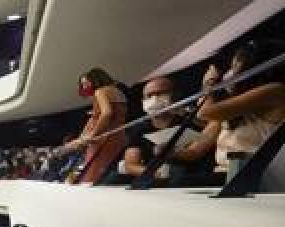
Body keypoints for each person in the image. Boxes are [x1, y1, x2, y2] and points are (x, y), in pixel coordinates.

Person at [195, 41, 285, 175]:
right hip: (224, 173)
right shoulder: (233, 104)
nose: (231, 72)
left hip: (252, 176)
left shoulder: (275, 90)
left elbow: (205, 113)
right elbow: (198, 146)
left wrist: (209, 83)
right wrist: (171, 151)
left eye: (235, 65)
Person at [121, 76, 216, 183]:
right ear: (143, 100)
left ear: (174, 96)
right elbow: (131, 164)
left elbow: (195, 152)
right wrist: (155, 173)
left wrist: (172, 152)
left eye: (160, 93)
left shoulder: (192, 122)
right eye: (149, 95)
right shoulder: (140, 129)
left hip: (190, 178)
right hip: (154, 179)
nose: (154, 98)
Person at [62, 67, 128, 184]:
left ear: (96, 79)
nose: (84, 87)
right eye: (82, 84)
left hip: (103, 140)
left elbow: (106, 113)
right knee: (111, 175)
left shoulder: (100, 91)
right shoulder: (119, 92)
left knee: (94, 177)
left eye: (86, 83)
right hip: (119, 137)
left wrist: (92, 135)